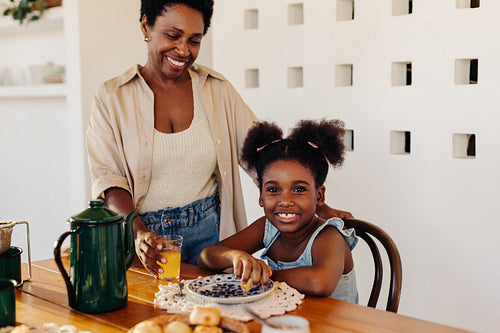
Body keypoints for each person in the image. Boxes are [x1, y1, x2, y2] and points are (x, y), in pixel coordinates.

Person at [86, 0, 353, 278]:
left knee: (210, 319)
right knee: (141, 318)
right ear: (146, 25)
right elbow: (109, 180)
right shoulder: (112, 97)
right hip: (141, 239)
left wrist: (317, 206)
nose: (183, 50)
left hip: (208, 236)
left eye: (194, 40)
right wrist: (140, 234)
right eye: (172, 35)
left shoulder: (216, 90)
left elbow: (265, 157)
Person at [198, 119, 359, 303]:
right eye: (273, 190)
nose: (285, 201)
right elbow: (206, 256)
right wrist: (236, 256)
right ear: (261, 196)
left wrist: (264, 274)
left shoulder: (329, 236)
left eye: (298, 189)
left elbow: (320, 282)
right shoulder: (267, 228)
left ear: (319, 196)